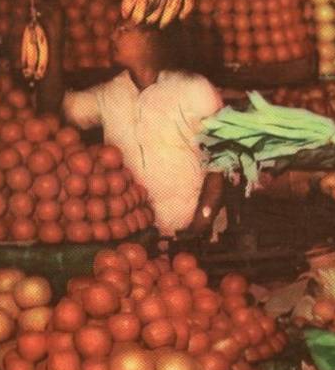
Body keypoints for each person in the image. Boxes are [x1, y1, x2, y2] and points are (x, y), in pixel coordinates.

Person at [59, 18, 227, 239]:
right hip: (138, 242)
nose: (112, 37)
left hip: (197, 238)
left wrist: (199, 226)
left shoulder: (195, 88)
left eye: (123, 30)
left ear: (150, 37)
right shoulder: (110, 94)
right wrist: (51, 43)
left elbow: (222, 166)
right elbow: (57, 106)